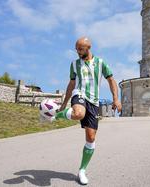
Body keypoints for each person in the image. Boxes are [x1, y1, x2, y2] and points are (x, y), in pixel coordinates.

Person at [52, 37, 122, 185]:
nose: (77, 51)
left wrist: (116, 99)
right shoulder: (74, 64)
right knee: (78, 113)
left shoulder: (101, 63)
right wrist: (64, 104)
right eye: (76, 49)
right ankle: (56, 115)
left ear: (88, 48)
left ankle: (82, 170)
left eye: (80, 49)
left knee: (90, 138)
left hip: (94, 102)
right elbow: (71, 84)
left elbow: (111, 80)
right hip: (79, 95)